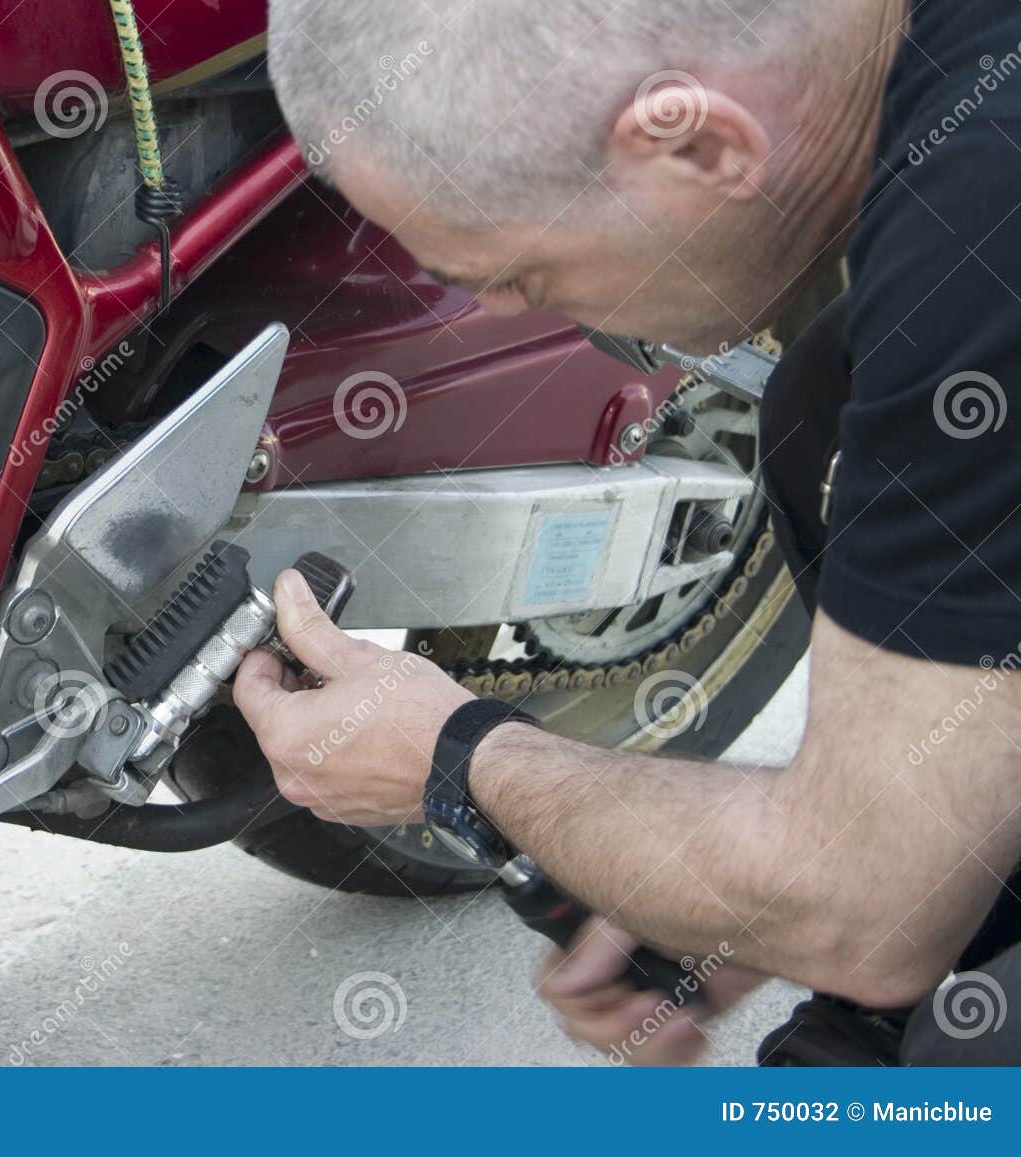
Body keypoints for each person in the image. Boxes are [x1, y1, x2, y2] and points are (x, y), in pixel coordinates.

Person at [239, 0, 1021, 1065]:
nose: (516, 313)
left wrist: (458, 756)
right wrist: (737, 885)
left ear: (699, 143)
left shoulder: (977, 246)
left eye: (517, 274)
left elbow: (866, 909)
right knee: (820, 403)